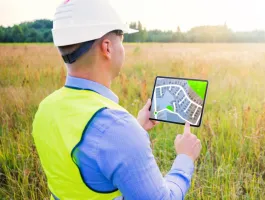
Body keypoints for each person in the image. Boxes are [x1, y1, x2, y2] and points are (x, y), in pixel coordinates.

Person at [32, 0, 202, 199]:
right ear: (107, 47)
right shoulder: (117, 128)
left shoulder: (45, 109)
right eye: (121, 39)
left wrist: (136, 127)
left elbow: (86, 167)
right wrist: (185, 157)